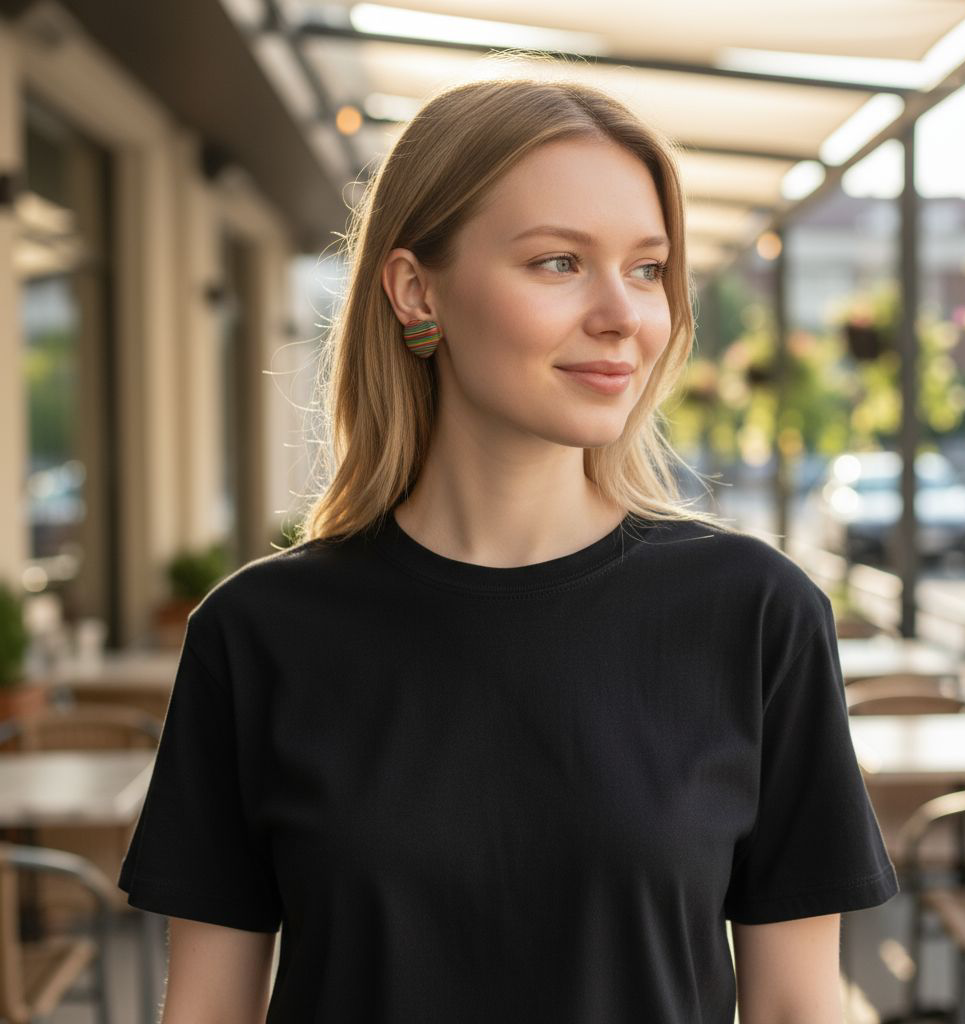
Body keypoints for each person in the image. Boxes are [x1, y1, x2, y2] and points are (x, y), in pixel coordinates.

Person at [118, 74, 898, 1023]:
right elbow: (206, 1012)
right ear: (417, 291)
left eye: (648, 268)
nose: (623, 315)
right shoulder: (256, 634)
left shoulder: (757, 614)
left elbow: (796, 1010)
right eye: (559, 262)